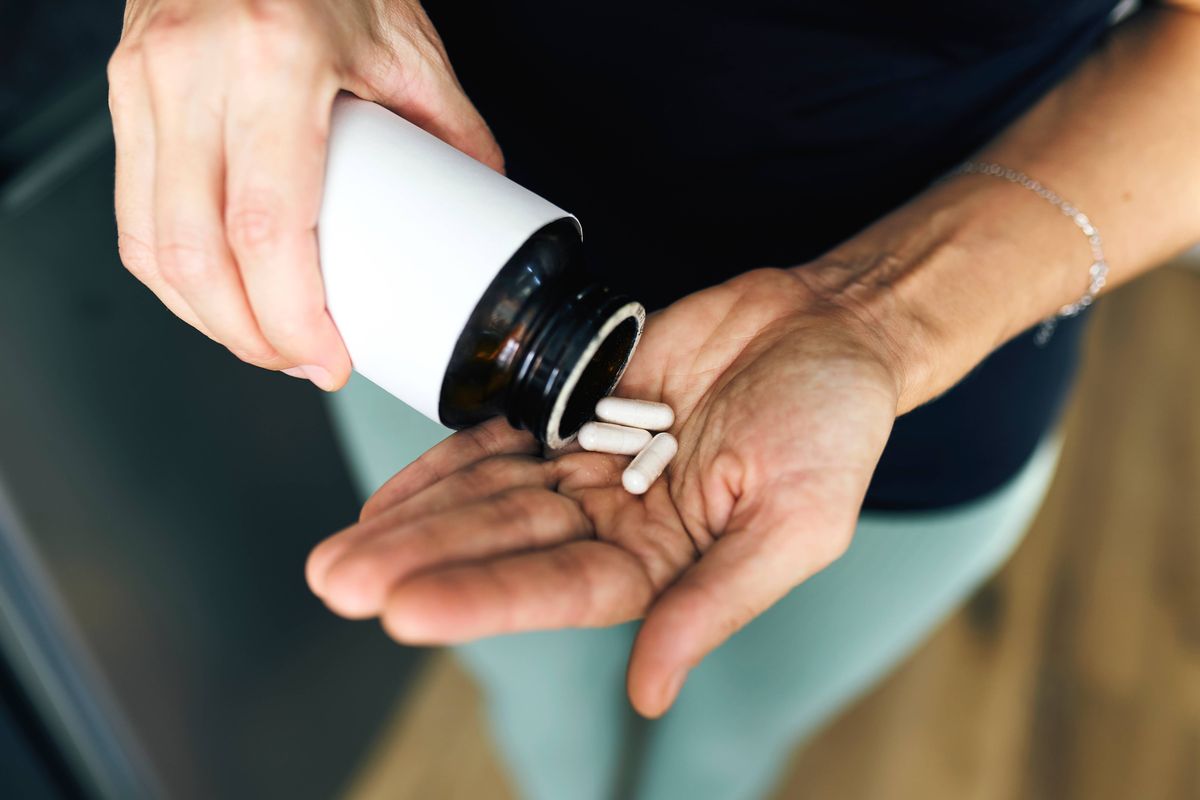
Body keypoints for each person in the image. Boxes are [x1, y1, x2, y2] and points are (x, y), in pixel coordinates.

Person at [106, 1, 1200, 797]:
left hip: (928, 369)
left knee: (731, 738)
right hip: (433, 294)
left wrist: (879, 316)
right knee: (534, 702)